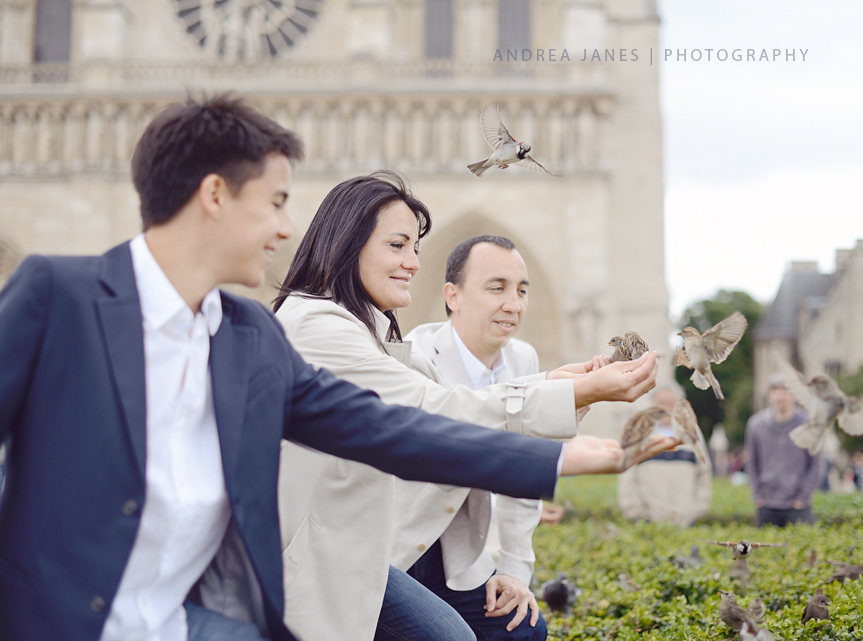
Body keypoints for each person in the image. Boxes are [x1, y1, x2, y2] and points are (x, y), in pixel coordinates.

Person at [0, 95, 670, 641]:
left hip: (195, 619)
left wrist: (575, 457)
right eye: (274, 202)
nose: (287, 227)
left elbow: (392, 427)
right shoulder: (57, 295)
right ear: (213, 195)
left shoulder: (252, 334)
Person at [272, 173, 675, 641]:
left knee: (509, 631)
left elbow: (443, 397)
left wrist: (558, 382)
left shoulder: (371, 329)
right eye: (397, 245)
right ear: (347, 244)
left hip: (368, 549)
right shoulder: (321, 327)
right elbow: (431, 410)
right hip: (323, 554)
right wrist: (573, 407)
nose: (413, 263)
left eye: (415, 248)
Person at [393, 235, 580, 640]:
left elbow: (522, 475)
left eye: (522, 290)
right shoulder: (413, 356)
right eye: (497, 288)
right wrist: (564, 394)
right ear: (452, 296)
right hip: (398, 552)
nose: (513, 304)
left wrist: (515, 570)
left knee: (524, 631)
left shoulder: (523, 358)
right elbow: (457, 433)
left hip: (460, 558)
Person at [617, 381, 712, 526]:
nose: (666, 409)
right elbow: (627, 474)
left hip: (685, 522)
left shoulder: (692, 433)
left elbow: (704, 472)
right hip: (648, 522)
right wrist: (638, 513)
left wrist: (696, 510)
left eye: (671, 403)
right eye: (661, 403)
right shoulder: (639, 434)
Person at [745, 372, 822, 527]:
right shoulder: (756, 425)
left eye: (786, 392)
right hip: (766, 505)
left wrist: (802, 498)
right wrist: (758, 496)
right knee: (764, 549)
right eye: (775, 391)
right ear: (769, 395)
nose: (780, 397)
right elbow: (751, 463)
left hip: (798, 506)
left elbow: (816, 465)